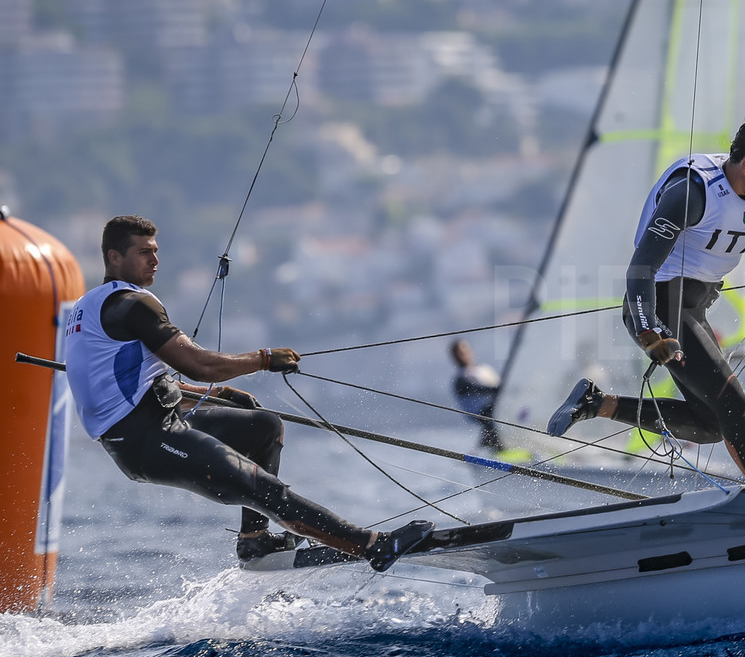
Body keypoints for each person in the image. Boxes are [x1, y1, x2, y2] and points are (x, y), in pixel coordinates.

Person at [63, 215, 434, 570]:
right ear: (114, 257)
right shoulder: (133, 304)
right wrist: (263, 358)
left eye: (156, 250)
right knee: (262, 488)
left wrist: (215, 392)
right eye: (145, 252)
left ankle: (254, 537)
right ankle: (373, 546)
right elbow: (199, 364)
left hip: (153, 423)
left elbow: (135, 384)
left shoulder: (88, 307)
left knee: (262, 426)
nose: (156, 260)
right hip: (147, 439)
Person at [546, 112, 745, 491]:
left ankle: (598, 404)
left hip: (695, 307)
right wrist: (649, 332)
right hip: (658, 306)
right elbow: (640, 271)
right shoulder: (693, 191)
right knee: (732, 402)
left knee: (713, 423)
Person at [449, 338, 503, 452]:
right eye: (458, 353)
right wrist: (500, 390)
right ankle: (497, 449)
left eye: (465, 351)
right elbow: (479, 389)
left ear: (471, 351)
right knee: (490, 415)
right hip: (481, 413)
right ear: (454, 357)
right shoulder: (460, 379)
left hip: (498, 408)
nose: (462, 355)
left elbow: (498, 386)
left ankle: (485, 447)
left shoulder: (485, 369)